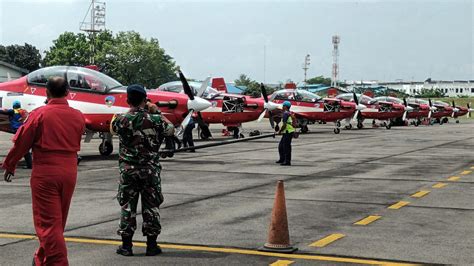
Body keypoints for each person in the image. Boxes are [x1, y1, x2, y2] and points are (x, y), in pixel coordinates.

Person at [2, 77, 85, 265]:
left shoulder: (39, 114)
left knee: (48, 224)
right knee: (58, 222)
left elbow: (22, 141)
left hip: (46, 172)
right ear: (67, 92)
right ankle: (42, 259)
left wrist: (10, 163)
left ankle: (58, 262)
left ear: (46, 93)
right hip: (69, 172)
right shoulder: (78, 115)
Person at [111, 84, 174, 256]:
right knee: (151, 207)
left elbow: (113, 129)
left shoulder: (120, 119)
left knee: (127, 207)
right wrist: (157, 112)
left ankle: (126, 246)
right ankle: (152, 246)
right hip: (150, 171)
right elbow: (171, 130)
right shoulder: (156, 120)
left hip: (128, 171)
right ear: (145, 100)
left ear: (127, 100)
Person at [0, 100, 33, 169]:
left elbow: (2, 112)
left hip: (19, 131)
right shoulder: (23, 111)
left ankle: (11, 164)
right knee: (23, 147)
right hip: (24, 130)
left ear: (14, 106)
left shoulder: (12, 111)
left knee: (22, 148)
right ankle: (28, 164)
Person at [276, 101, 295, 166]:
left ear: (285, 106)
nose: (282, 107)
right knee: (281, 146)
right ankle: (282, 159)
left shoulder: (285, 114)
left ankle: (287, 161)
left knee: (286, 147)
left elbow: (284, 124)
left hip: (288, 132)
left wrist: (280, 131)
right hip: (287, 132)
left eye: (283, 106)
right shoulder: (289, 113)